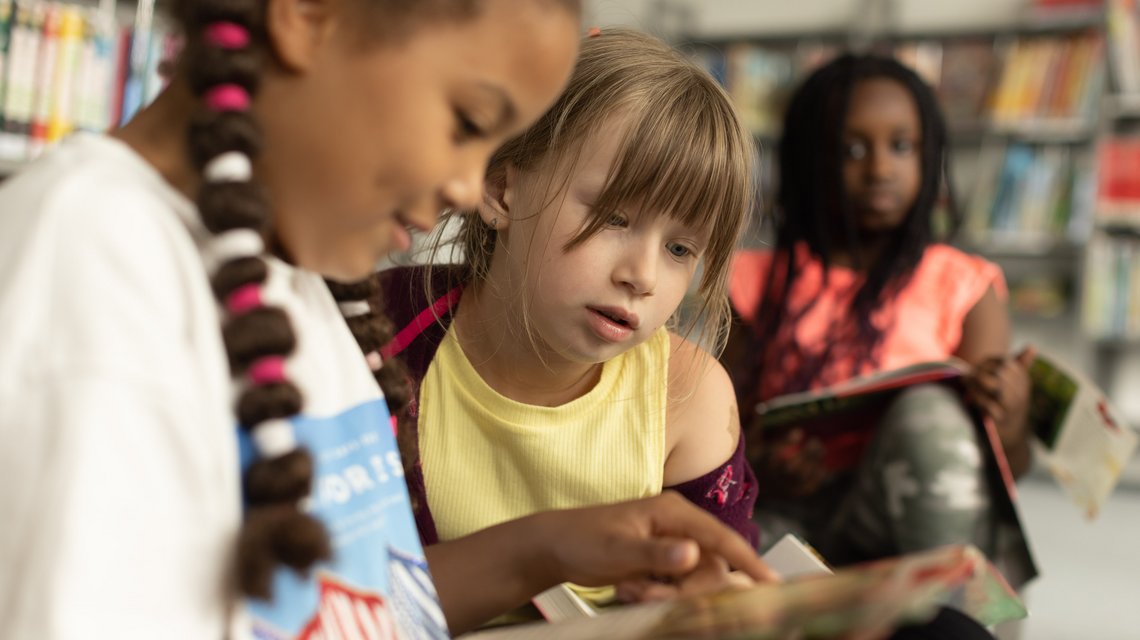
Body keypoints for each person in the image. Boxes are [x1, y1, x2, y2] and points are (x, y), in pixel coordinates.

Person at [0, 1, 775, 637]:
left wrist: (550, 548)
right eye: (467, 121)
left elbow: (357, 604)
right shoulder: (93, 259)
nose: (471, 190)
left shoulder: (297, 285)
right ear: (308, 16)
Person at [377, 29, 759, 572]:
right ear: (501, 188)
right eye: (613, 218)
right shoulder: (375, 335)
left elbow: (726, 584)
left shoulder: (689, 401)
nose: (642, 276)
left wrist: (709, 596)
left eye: (680, 248)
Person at [723, 53, 1035, 570]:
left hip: (917, 530)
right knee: (713, 555)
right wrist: (762, 465)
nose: (880, 169)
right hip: (792, 516)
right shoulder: (753, 281)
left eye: (901, 146)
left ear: (929, 153)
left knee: (930, 414)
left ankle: (949, 610)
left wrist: (1015, 420)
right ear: (809, 159)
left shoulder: (964, 285)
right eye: (851, 149)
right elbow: (717, 433)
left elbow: (1000, 473)